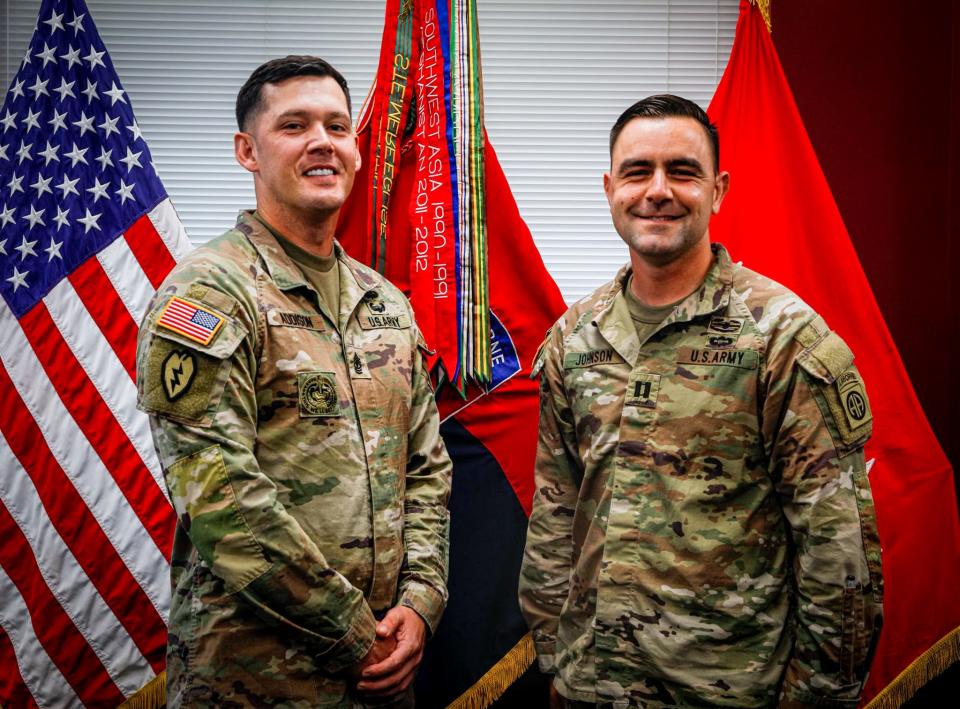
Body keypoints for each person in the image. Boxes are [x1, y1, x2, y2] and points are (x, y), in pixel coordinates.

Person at [518, 94, 883, 708]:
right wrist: (556, 659)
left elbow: (837, 548)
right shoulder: (574, 338)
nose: (657, 190)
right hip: (592, 685)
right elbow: (557, 512)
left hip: (729, 691)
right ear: (610, 187)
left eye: (682, 171)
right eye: (638, 171)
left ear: (718, 190)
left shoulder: (783, 338)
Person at [136, 56, 452, 707]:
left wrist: (420, 603)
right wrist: (354, 632)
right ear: (247, 151)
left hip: (382, 680)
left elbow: (426, 469)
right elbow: (221, 497)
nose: (322, 142)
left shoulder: (387, 302)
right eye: (295, 125)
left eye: (337, 126)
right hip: (252, 681)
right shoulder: (211, 293)